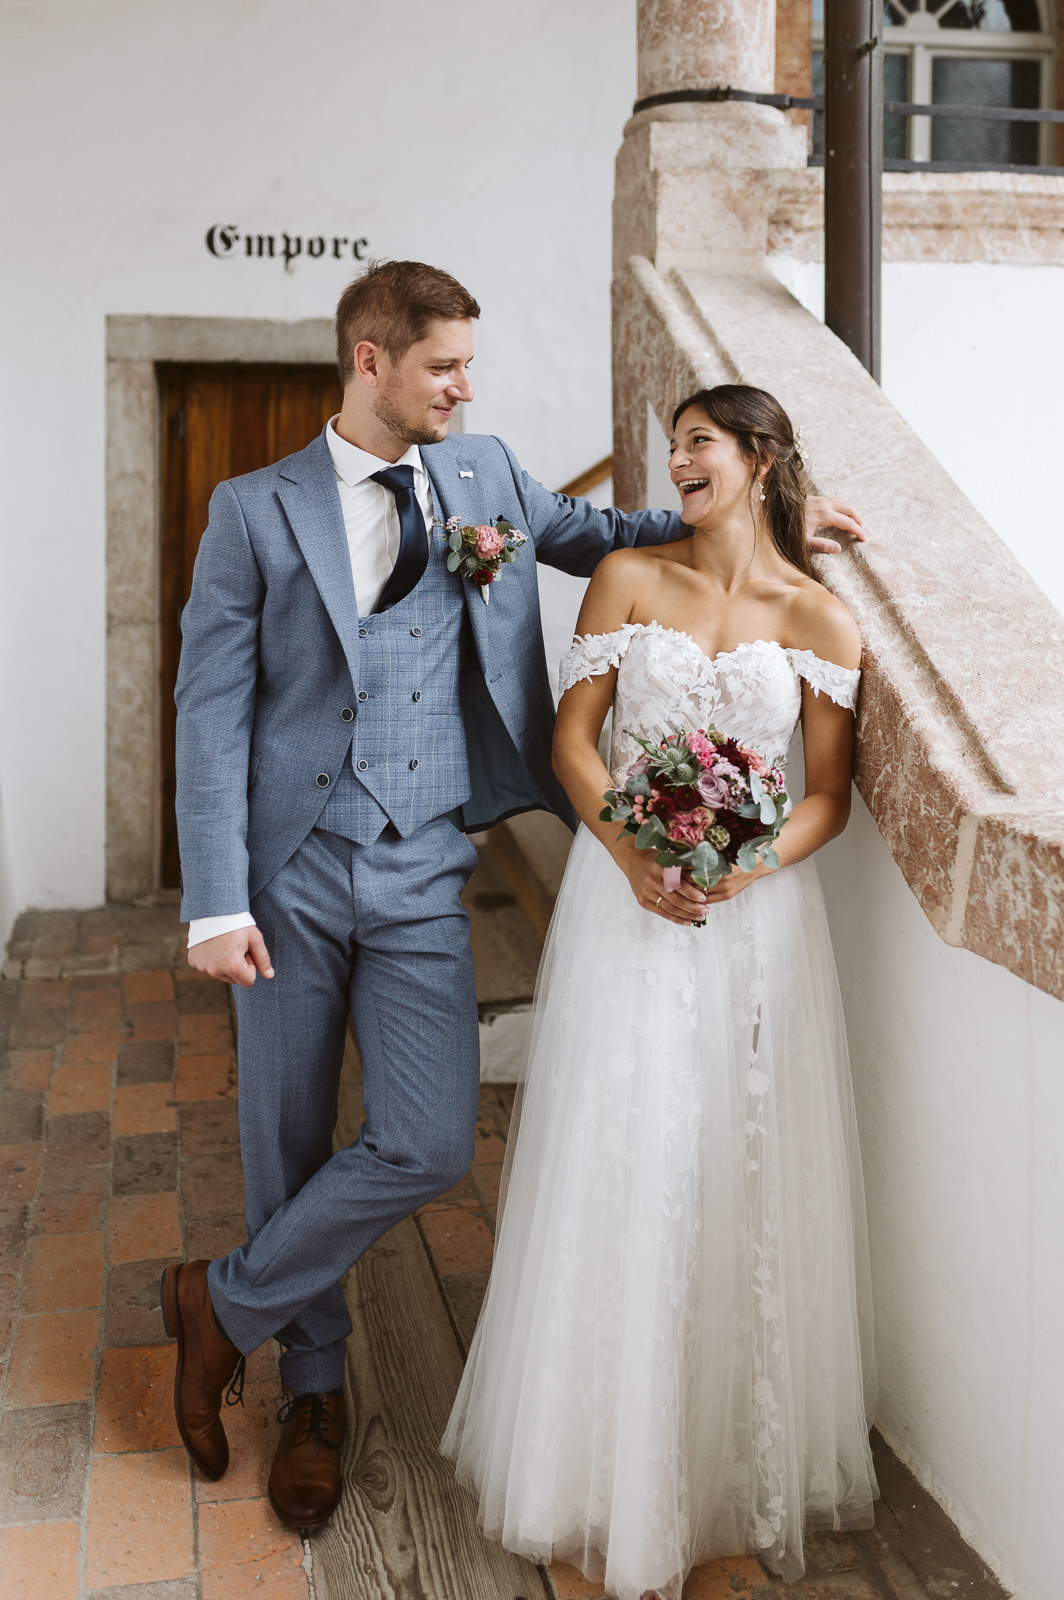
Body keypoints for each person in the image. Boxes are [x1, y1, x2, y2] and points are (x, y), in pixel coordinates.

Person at [161, 260, 862, 1530]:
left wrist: (779, 522)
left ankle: (219, 1300)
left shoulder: (481, 475)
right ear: (369, 362)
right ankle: (312, 1395)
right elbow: (208, 715)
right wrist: (217, 902)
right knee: (286, 1133)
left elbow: (607, 537)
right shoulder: (252, 511)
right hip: (290, 872)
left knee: (426, 1141)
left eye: (467, 365)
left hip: (428, 860)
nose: (465, 386)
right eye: (443, 366)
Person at [442, 384, 878, 1597]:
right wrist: (631, 850)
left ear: (759, 459)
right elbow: (575, 741)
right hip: (621, 900)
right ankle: (593, 1484)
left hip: (751, 924)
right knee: (621, 1153)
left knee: (734, 1169)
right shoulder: (629, 578)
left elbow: (825, 797)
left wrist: (741, 864)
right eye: (670, 442)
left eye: (699, 442)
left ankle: (716, 1485)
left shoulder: (823, 621)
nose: (675, 460)